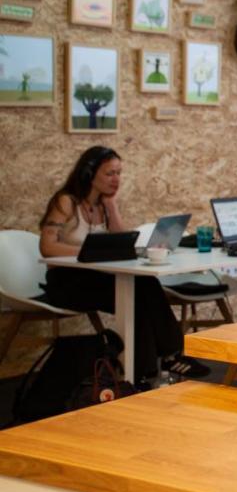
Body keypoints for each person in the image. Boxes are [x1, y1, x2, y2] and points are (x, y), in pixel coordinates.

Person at [38, 146, 209, 381]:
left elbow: (122, 243)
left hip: (96, 278)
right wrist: (89, 252)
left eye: (119, 173)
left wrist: (112, 207)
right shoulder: (67, 201)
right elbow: (47, 248)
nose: (116, 179)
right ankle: (168, 357)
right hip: (66, 282)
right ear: (89, 173)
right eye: (110, 173)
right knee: (135, 295)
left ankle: (145, 372)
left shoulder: (102, 206)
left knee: (142, 287)